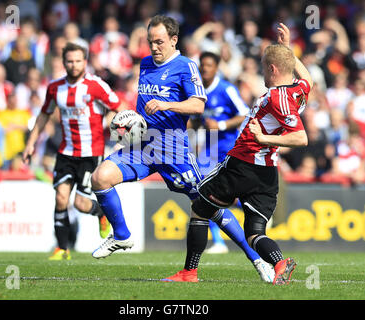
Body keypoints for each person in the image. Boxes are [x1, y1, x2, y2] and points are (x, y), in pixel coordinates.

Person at [90, 15, 274, 283]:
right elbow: (143, 110)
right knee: (100, 178)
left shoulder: (186, 66)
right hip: (141, 147)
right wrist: (127, 133)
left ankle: (257, 260)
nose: (154, 47)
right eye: (150, 42)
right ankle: (121, 235)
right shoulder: (145, 64)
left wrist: (166, 105)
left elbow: (198, 105)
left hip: (173, 151)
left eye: (159, 42)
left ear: (174, 40)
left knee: (209, 207)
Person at [168, 23, 313, 285]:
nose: (261, 72)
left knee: (200, 209)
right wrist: (288, 49)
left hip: (243, 163)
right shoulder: (297, 91)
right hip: (268, 172)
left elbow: (301, 137)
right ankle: (280, 263)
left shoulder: (277, 97)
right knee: (255, 232)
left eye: (263, 67)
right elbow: (308, 80)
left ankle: (189, 273)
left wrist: (263, 137)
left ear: (272, 69)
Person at [22, 42, 120, 260]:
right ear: (63, 62)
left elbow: (119, 107)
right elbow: (44, 114)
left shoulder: (96, 86)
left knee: (81, 204)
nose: (74, 65)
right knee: (60, 198)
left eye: (78, 61)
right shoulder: (55, 88)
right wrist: (31, 143)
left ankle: (101, 212)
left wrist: (116, 129)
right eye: (70, 61)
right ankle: (62, 248)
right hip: (66, 152)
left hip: (91, 153)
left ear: (85, 62)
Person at [191, 51, 249, 254]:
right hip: (208, 150)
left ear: (216, 68)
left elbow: (245, 113)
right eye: (202, 65)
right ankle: (218, 241)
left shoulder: (226, 89)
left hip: (228, 148)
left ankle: (250, 209)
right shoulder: (198, 92)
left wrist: (221, 124)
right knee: (205, 193)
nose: (205, 69)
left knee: (223, 193)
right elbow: (198, 119)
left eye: (209, 65)